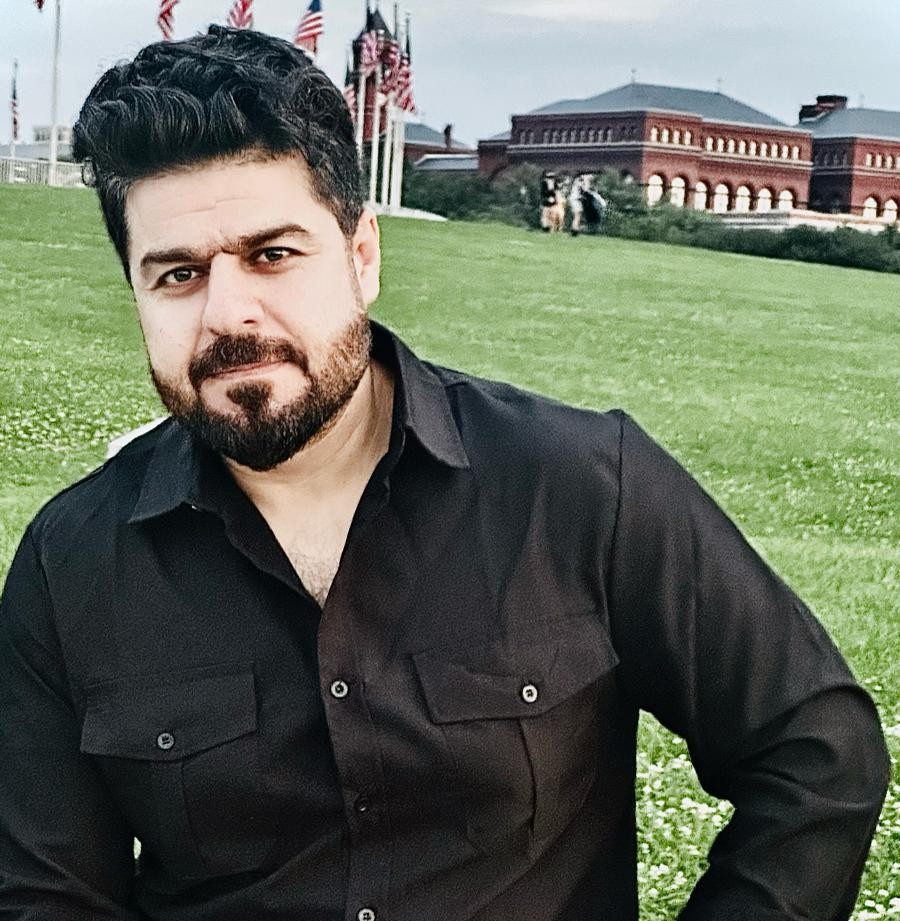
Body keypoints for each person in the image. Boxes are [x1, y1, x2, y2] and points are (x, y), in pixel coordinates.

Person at [0, 26, 889, 921]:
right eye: (179, 274)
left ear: (362, 257)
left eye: (273, 255)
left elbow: (817, 751)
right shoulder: (72, 563)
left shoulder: (580, 485)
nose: (229, 313)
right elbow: (47, 892)